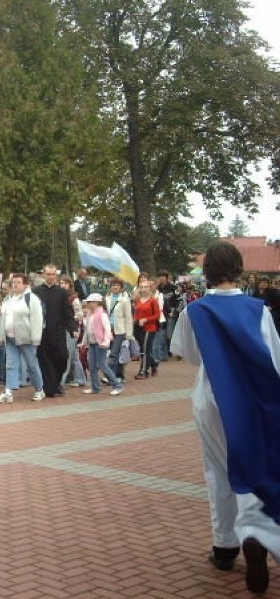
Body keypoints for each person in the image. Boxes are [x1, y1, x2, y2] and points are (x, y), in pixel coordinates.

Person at [171, 242, 280, 594]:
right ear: (238, 268)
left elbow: (188, 356)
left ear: (208, 272)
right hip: (252, 401)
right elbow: (274, 359)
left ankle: (225, 546)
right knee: (255, 466)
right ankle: (257, 534)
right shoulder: (258, 310)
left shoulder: (194, 311)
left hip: (211, 398)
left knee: (218, 471)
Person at [0, 274, 45, 404]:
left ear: (25, 285)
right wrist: (1, 335)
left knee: (31, 364)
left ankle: (39, 389)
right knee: (10, 364)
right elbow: (2, 319)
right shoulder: (8, 299)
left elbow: (37, 319)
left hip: (26, 338)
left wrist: (36, 338)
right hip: (10, 338)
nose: (15, 284)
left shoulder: (31, 299)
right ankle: (9, 391)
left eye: (18, 282)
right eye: (13, 282)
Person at [33, 265, 77, 397]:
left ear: (56, 276)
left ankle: (56, 382)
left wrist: (72, 328)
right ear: (43, 275)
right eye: (48, 274)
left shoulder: (62, 292)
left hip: (58, 332)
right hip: (42, 333)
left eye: (53, 274)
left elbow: (68, 312)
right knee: (45, 361)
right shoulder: (36, 292)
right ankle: (49, 387)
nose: (51, 277)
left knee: (63, 357)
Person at [79, 293, 124, 395]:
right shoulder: (90, 314)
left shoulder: (102, 314)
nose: (88, 304)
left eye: (90, 302)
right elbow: (87, 330)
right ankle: (95, 387)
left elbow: (107, 329)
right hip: (92, 343)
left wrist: (106, 342)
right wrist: (83, 342)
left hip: (101, 344)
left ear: (97, 303)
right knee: (92, 366)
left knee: (102, 365)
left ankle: (117, 385)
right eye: (88, 302)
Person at [105, 278, 133, 383]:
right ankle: (118, 375)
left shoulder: (124, 300)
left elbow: (128, 318)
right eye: (113, 285)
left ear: (121, 288)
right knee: (111, 353)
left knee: (114, 353)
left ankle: (110, 376)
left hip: (120, 330)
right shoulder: (106, 299)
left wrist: (129, 334)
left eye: (117, 285)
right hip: (108, 330)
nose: (115, 287)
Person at [133, 281, 161, 379]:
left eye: (146, 287)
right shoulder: (138, 299)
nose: (143, 289)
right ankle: (154, 363)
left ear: (150, 288)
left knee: (145, 350)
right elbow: (136, 312)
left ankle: (143, 371)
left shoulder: (153, 300)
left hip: (150, 328)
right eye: (141, 287)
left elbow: (157, 315)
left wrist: (146, 319)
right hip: (139, 328)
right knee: (144, 349)